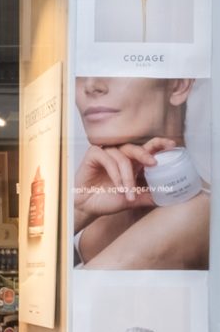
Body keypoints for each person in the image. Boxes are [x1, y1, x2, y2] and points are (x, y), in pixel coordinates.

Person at [72, 75, 210, 270]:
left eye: (118, 67)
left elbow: (71, 300)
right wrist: (79, 210)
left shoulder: (194, 214)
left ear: (178, 85)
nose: (91, 85)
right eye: (82, 73)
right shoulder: (105, 207)